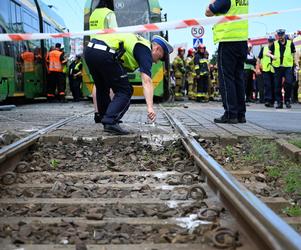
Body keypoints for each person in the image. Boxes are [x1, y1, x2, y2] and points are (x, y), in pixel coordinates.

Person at [84, 33, 173, 135]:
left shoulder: (138, 44)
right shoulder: (145, 49)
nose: (157, 62)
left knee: (102, 87)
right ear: (157, 48)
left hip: (90, 51)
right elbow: (147, 80)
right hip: (104, 52)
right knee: (125, 90)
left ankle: (105, 118)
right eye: (160, 57)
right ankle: (110, 120)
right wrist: (150, 107)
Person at [206, 0, 248, 124]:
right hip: (242, 41)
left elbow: (208, 12)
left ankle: (231, 114)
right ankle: (241, 114)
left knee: (226, 78)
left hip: (228, 41)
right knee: (238, 78)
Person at [89, 2, 118, 123]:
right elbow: (115, 33)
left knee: (98, 83)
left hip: (91, 49)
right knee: (110, 84)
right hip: (105, 50)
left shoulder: (93, 14)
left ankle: (97, 113)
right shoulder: (109, 13)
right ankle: (109, 113)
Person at [270, 29, 297, 109]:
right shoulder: (274, 44)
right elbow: (268, 53)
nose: (280, 36)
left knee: (288, 83)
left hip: (287, 66)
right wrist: (272, 56)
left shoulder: (290, 43)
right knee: (277, 85)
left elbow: (294, 53)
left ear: (284, 35)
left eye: (281, 35)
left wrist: (296, 63)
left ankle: (287, 100)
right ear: (277, 35)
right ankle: (279, 102)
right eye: (279, 35)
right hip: (278, 67)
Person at [258, 37, 275, 107]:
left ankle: (272, 101)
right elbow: (259, 58)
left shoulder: (276, 49)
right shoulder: (264, 48)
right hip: (266, 69)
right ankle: (267, 100)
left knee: (274, 85)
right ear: (268, 41)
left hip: (274, 70)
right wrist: (258, 68)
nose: (271, 43)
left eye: (272, 41)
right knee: (267, 85)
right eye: (270, 41)